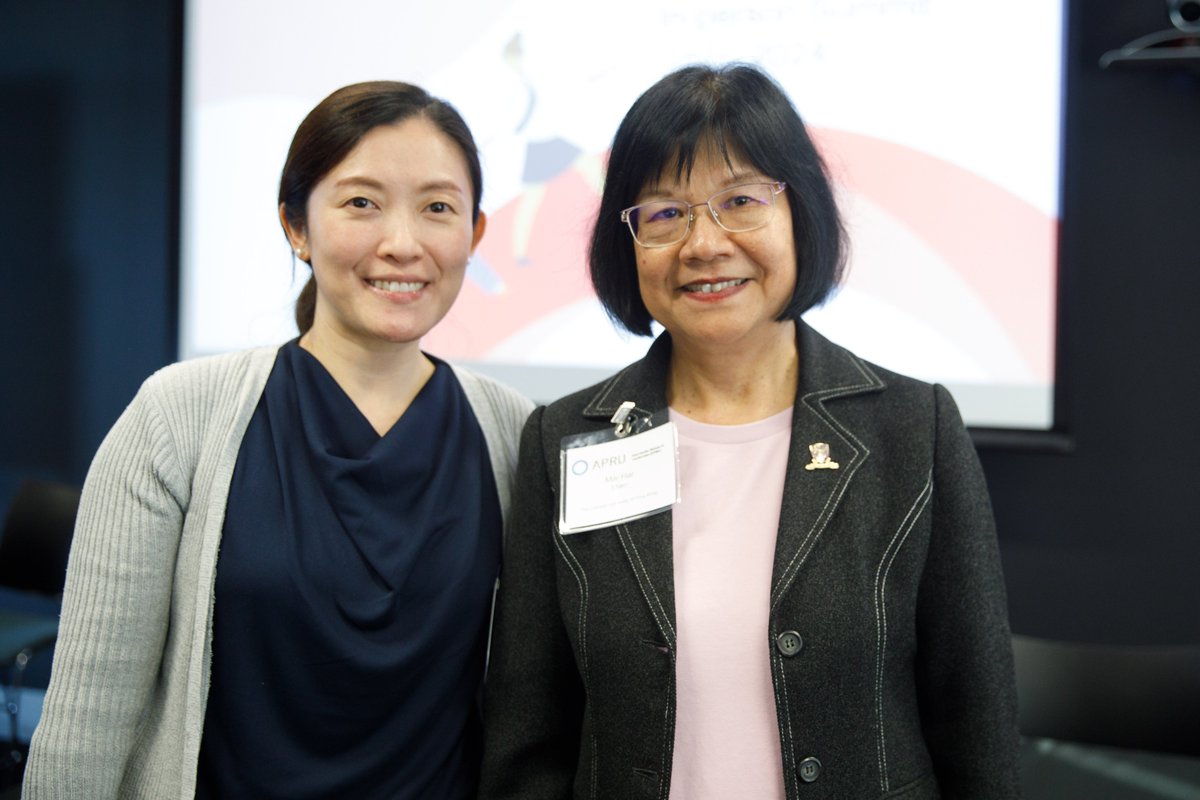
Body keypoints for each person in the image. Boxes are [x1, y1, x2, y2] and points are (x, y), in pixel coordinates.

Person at [479, 64, 1021, 799]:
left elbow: (977, 730)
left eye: (740, 200)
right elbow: (529, 734)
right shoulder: (566, 438)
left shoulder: (911, 428)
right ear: (627, 242)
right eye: (664, 213)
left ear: (802, 216)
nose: (704, 243)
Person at [23, 81, 533, 799]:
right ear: (296, 226)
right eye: (361, 202)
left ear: (475, 236)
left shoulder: (515, 434)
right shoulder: (179, 418)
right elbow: (87, 722)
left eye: (437, 208)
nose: (402, 243)